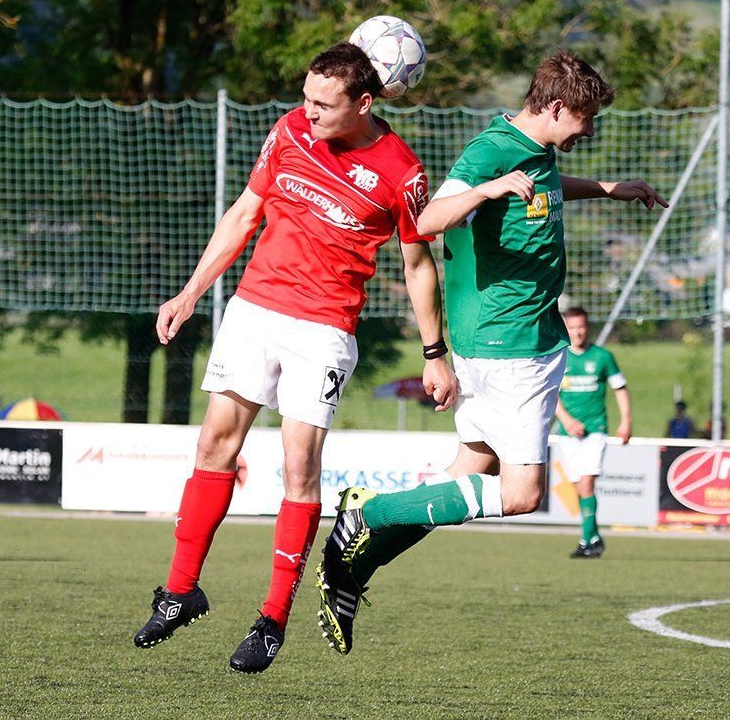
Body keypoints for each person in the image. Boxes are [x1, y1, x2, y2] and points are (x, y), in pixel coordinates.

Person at [315, 51, 668, 656]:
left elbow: (543, 189)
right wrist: (487, 188)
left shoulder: (535, 150)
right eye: (584, 118)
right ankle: (370, 511)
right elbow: (428, 219)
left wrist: (607, 190)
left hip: (510, 340)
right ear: (555, 107)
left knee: (470, 474)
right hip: (511, 346)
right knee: (522, 494)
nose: (589, 130)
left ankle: (352, 571)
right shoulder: (492, 153)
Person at [132, 42, 456, 673]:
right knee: (213, 445)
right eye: (305, 98)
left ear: (364, 103)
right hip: (254, 309)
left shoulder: (402, 172)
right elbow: (244, 214)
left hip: (324, 329)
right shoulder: (288, 130)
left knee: (299, 467)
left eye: (322, 105)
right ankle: (179, 591)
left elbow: (418, 265)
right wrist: (190, 293)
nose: (308, 112)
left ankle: (272, 618)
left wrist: (433, 353)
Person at [554, 306, 631, 558]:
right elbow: (550, 394)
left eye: (581, 327)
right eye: (572, 328)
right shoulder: (558, 357)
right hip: (567, 434)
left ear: (588, 328)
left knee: (587, 483)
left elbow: (620, 388)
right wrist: (567, 421)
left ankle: (587, 541)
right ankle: (594, 537)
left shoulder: (602, 357)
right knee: (580, 488)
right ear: (566, 329)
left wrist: (626, 421)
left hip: (595, 430)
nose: (577, 332)